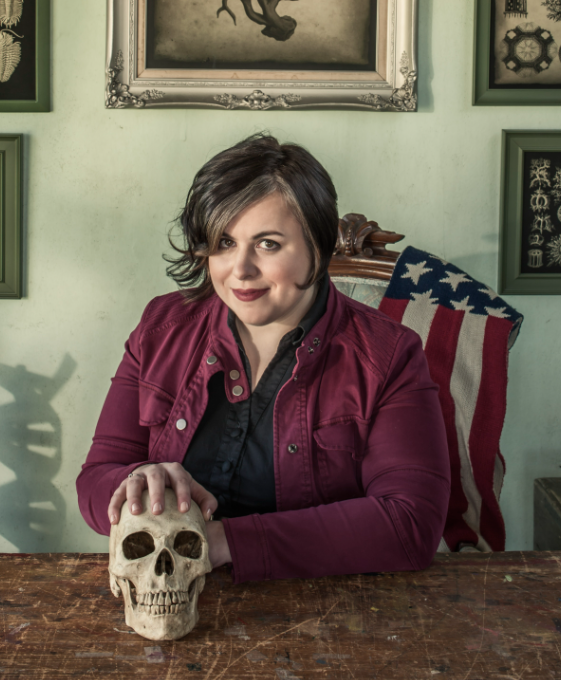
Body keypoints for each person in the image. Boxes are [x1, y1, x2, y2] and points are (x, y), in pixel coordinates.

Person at [77, 134, 450, 582]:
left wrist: (222, 542)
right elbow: (95, 480)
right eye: (224, 242)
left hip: (325, 602)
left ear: (317, 246)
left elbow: (410, 524)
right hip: (168, 591)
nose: (240, 270)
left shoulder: (390, 354)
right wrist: (137, 480)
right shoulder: (161, 328)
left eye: (268, 244)